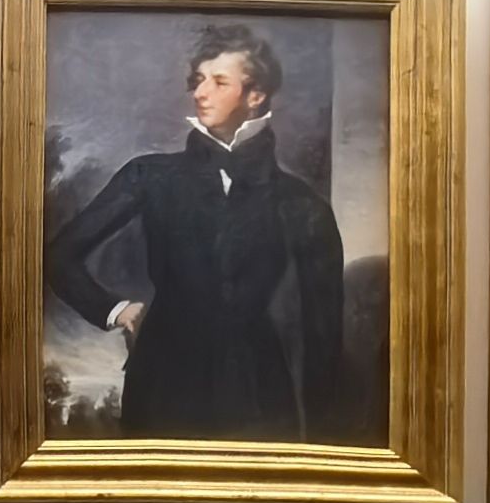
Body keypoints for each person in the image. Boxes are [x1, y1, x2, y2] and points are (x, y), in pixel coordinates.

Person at [44, 22, 349, 443]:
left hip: (256, 396)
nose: (201, 92)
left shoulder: (301, 204)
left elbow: (323, 338)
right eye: (199, 80)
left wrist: (319, 442)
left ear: (256, 95)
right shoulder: (149, 176)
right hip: (163, 386)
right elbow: (59, 256)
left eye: (219, 82)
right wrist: (114, 309)